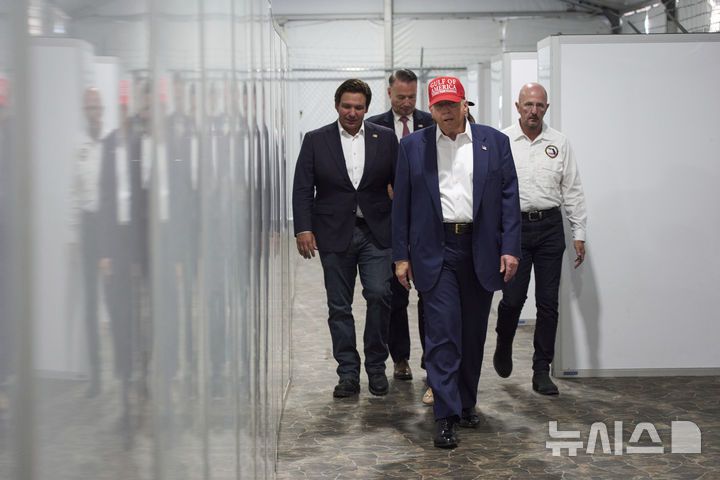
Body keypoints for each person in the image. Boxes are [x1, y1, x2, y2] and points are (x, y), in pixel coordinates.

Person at [392, 76, 521, 448]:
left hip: (480, 248)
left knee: (473, 333)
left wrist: (510, 247)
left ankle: (466, 403)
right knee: (443, 333)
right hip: (436, 250)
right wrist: (400, 256)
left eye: (452, 104)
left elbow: (509, 197)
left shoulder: (494, 143)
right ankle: (445, 414)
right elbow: (401, 206)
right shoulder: (412, 147)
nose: (446, 111)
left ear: (465, 104)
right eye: (439, 106)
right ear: (430, 110)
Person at [292, 79, 398, 398]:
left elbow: (401, 184)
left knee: (379, 294)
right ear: (336, 105)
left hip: (376, 232)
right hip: (333, 233)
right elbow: (303, 187)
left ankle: (376, 367)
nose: (352, 112)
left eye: (358, 107)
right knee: (339, 305)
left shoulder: (386, 138)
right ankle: (348, 373)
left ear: (367, 108)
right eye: (347, 106)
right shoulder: (316, 140)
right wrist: (303, 228)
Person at [493, 82, 587, 395]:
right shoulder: (503, 140)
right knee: (513, 300)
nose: (534, 111)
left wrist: (579, 232)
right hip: (515, 229)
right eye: (528, 105)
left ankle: (540, 369)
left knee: (548, 303)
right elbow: (492, 190)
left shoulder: (559, 142)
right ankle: (504, 341)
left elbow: (572, 188)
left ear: (546, 108)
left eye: (539, 105)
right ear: (518, 107)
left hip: (549, 228)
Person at [366, 69, 433, 391]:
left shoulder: (430, 123)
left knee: (430, 294)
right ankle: (401, 357)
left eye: (412, 97)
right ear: (389, 93)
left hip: (427, 221)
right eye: (400, 97)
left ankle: (431, 356)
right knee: (396, 296)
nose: (407, 103)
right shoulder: (374, 126)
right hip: (390, 224)